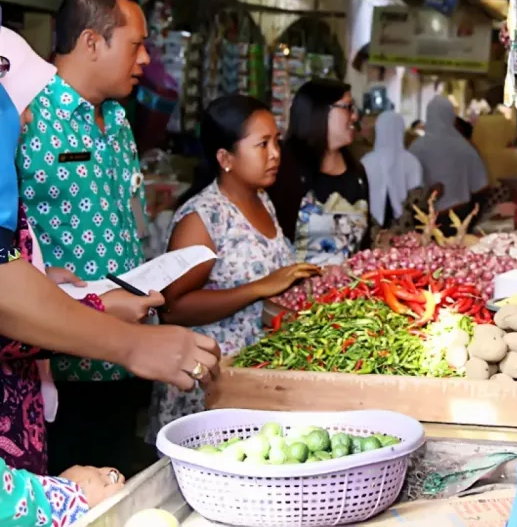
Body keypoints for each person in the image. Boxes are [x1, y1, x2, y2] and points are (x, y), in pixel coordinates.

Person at [0, 27, 165, 476]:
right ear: (92, 41)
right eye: (136, 43)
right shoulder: (28, 124)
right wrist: (126, 336)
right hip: (58, 363)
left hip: (78, 370)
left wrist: (39, 272)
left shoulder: (117, 118)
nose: (30, 118)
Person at [151, 96, 319, 432]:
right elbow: (172, 307)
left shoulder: (262, 201)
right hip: (209, 387)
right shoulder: (204, 217)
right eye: (262, 144)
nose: (275, 154)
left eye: (276, 142)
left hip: (250, 381)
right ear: (225, 158)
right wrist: (258, 288)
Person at [270, 80, 372, 266]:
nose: (355, 116)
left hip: (348, 290)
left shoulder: (357, 173)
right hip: (295, 290)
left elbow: (364, 246)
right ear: (320, 112)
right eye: (347, 108)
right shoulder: (283, 167)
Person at [409, 96, 489, 219]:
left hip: (423, 216)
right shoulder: (464, 148)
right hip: (459, 214)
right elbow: (480, 187)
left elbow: (409, 187)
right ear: (451, 116)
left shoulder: (415, 148)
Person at [360, 111, 423, 229]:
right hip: (403, 226)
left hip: (372, 226)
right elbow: (416, 199)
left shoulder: (367, 161)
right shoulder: (412, 161)